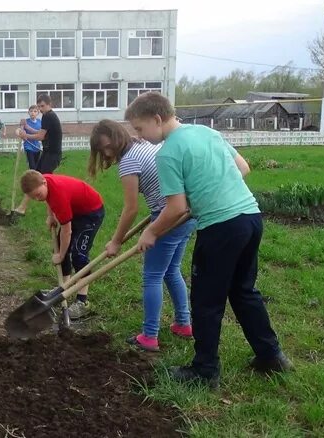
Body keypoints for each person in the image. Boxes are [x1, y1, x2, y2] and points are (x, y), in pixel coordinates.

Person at [126, 92, 292, 388]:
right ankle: (271, 356)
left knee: (205, 300)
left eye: (139, 129)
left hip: (221, 227)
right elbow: (243, 168)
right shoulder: (206, 132)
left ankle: (205, 370)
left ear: (156, 119)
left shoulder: (168, 152)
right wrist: (208, 192)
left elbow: (175, 208)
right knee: (243, 291)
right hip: (250, 217)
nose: (139, 136)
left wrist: (151, 231)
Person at [89, 119, 196, 352]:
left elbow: (131, 209)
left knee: (152, 275)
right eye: (102, 150)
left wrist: (116, 241)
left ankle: (149, 336)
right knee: (171, 270)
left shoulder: (128, 162)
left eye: (108, 146)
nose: (107, 153)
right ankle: (183, 323)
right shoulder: (144, 145)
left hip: (168, 215)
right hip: (187, 212)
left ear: (118, 138)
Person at [20, 170, 104, 319]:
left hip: (91, 213)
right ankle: (64, 288)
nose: (37, 199)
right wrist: (50, 216)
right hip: (75, 210)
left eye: (38, 195)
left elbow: (67, 231)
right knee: (60, 247)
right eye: (33, 197)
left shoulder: (58, 194)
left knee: (79, 255)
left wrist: (61, 255)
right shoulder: (43, 182)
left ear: (43, 183)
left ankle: (82, 301)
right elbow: (48, 198)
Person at [14, 94, 62, 215]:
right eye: (39, 106)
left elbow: (41, 136)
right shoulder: (47, 116)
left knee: (45, 182)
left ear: (49, 104)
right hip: (47, 153)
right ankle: (22, 207)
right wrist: (26, 128)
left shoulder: (48, 116)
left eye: (42, 106)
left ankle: (53, 212)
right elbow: (41, 132)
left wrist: (26, 136)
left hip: (52, 155)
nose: (40, 109)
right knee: (35, 179)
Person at [21, 105, 42, 170]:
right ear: (28, 112)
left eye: (35, 111)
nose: (33, 113)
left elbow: (40, 132)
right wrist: (22, 130)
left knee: (37, 166)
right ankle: (31, 178)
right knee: (32, 166)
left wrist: (28, 128)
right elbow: (21, 130)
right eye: (31, 111)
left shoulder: (39, 122)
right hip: (28, 146)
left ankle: (34, 178)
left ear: (38, 113)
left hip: (37, 146)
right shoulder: (25, 121)